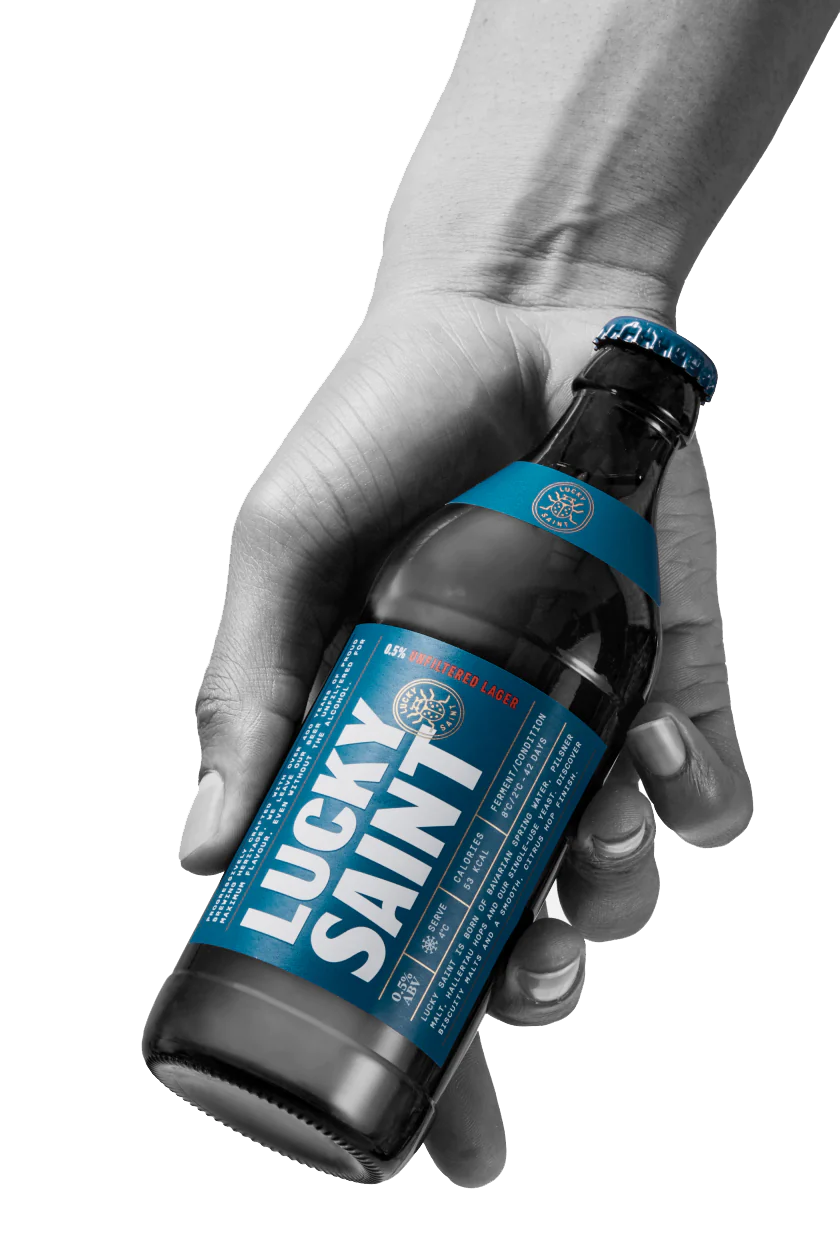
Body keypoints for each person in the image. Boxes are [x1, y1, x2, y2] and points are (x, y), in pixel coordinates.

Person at [175, 0, 838, 1187]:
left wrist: (549, 273)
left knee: (510, 836)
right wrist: (529, 284)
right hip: (289, 956)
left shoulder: (611, 598)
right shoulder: (527, 538)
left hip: (377, 1013)